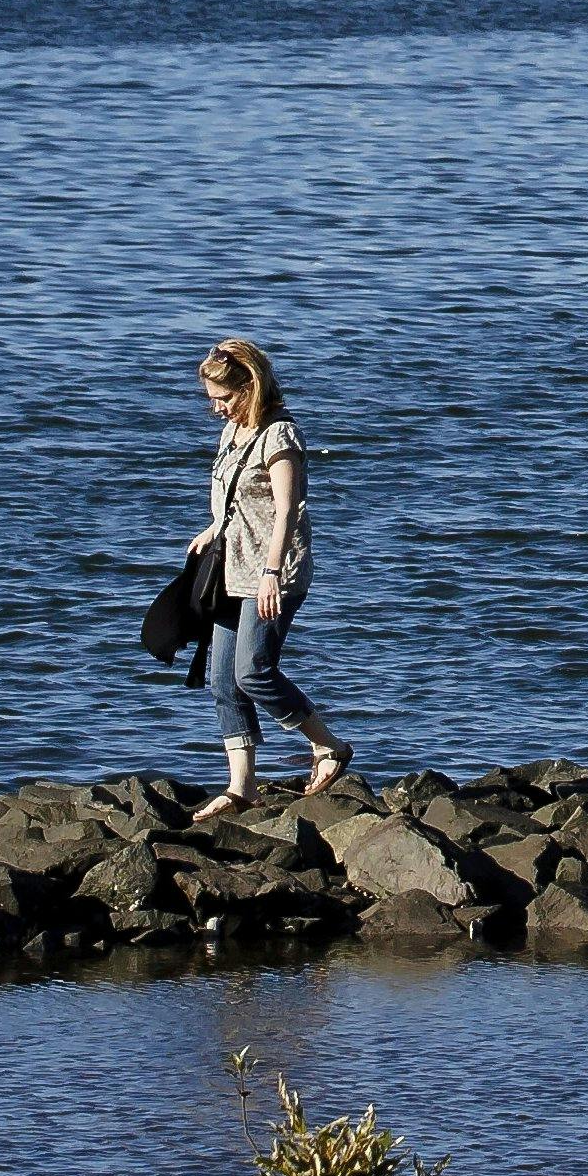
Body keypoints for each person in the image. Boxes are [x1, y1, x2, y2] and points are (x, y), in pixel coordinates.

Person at [188, 336, 349, 818]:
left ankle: (328, 746)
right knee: (222, 681)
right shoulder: (232, 433)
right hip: (230, 572)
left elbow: (287, 512)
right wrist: (214, 526)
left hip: (273, 573)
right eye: (211, 399)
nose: (215, 408)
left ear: (249, 387)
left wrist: (272, 573)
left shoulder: (279, 436)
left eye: (223, 398)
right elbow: (236, 495)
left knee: (253, 672)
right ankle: (243, 787)